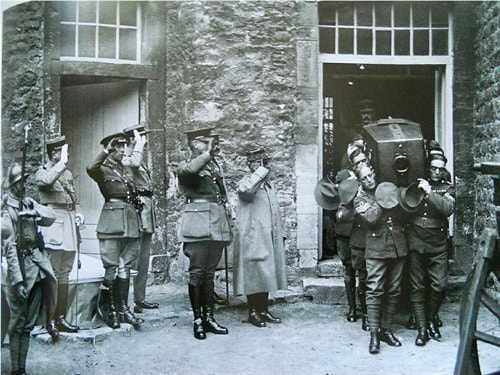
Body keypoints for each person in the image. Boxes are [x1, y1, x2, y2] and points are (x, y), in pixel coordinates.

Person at [2, 163, 58, 375]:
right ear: (12, 186)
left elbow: (51, 216)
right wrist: (16, 280)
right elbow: (10, 249)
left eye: (24, 181)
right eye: (19, 183)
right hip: (20, 271)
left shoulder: (28, 203)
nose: (23, 186)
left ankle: (22, 370)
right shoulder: (7, 213)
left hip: (37, 268)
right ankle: (15, 369)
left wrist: (34, 212)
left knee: (26, 326)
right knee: (17, 324)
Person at [177, 127, 232, 340]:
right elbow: (189, 173)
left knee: (210, 273)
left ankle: (210, 318)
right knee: (197, 272)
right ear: (196, 144)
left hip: (216, 223)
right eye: (208, 142)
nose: (213, 146)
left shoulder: (213, 167)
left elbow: (222, 194)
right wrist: (207, 154)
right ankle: (197, 319)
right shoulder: (184, 165)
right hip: (197, 224)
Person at [86, 133, 143, 329]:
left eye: (123, 146)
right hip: (111, 222)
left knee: (125, 266)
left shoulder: (125, 168)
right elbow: (90, 168)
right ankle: (110, 310)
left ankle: (123, 309)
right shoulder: (101, 169)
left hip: (129, 219)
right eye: (117, 146)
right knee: (110, 267)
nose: (121, 149)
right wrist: (104, 151)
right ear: (109, 148)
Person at [354, 166, 408, 354]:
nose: (369, 179)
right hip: (376, 249)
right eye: (365, 177)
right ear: (360, 181)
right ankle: (374, 334)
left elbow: (406, 210)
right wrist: (383, 198)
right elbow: (371, 218)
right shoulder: (360, 199)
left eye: (371, 174)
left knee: (394, 290)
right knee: (375, 290)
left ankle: (386, 329)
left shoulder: (387, 188)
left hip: (397, 246)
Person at [233, 148, 287, 327]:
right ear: (250, 165)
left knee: (266, 274)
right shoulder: (246, 182)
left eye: (264, 163)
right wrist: (260, 172)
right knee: (254, 275)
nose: (264, 167)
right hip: (253, 236)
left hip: (267, 237)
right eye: (257, 163)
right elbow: (246, 190)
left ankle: (263, 310)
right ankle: (253, 312)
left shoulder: (268, 185)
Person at [35, 136, 82, 333]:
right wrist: (61, 163)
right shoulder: (43, 172)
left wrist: (79, 213)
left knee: (65, 273)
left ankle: (60, 318)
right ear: (53, 153)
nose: (65, 157)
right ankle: (49, 320)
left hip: (69, 223)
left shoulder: (67, 173)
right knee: (53, 274)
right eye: (62, 153)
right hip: (54, 223)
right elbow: (46, 182)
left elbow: (73, 197)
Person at [408, 148, 454, 346]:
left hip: (437, 242)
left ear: (444, 170)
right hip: (416, 239)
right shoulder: (416, 184)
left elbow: (447, 209)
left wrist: (429, 192)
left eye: (440, 169)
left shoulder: (448, 188)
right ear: (428, 168)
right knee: (417, 286)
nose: (436, 172)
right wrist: (421, 188)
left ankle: (429, 318)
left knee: (440, 285)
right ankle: (422, 329)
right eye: (433, 168)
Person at [122, 125, 159, 314]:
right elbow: (132, 165)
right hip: (136, 212)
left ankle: (140, 298)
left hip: (146, 210)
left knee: (143, 258)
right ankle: (124, 302)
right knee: (131, 257)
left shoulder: (139, 159)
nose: (144, 140)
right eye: (140, 136)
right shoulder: (127, 157)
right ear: (132, 139)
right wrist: (137, 145)